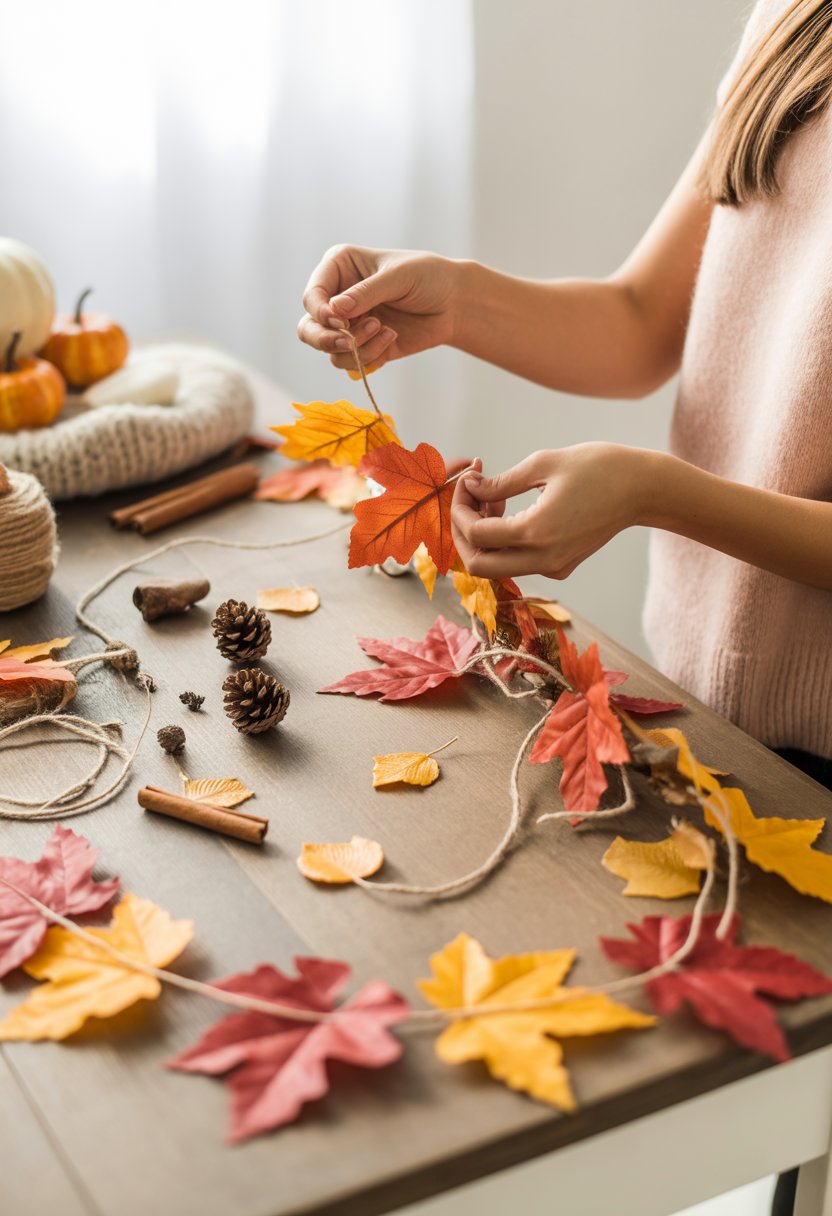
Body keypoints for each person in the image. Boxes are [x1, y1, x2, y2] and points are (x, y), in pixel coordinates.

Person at [299, 5, 832, 1207]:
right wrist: (456, 297)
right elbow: (649, 321)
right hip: (716, 710)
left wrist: (651, 490)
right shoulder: (796, 15)